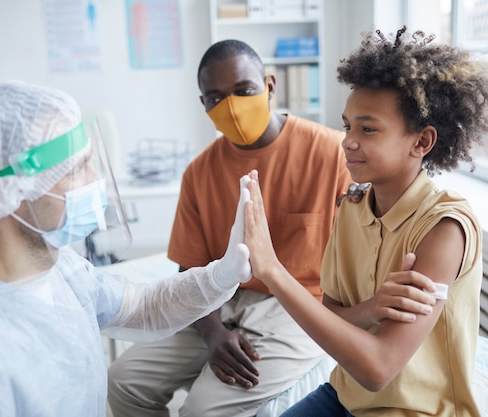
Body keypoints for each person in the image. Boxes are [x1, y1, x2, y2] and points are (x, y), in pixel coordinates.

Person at [0, 81, 253, 417]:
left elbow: (144, 307)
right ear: (8, 193)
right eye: (76, 169)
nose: (95, 180)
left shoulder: (60, 268)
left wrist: (222, 274)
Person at [243, 26, 488, 416]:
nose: (347, 140)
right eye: (347, 126)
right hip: (345, 397)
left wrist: (272, 270)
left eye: (368, 128)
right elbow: (330, 316)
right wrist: (369, 309)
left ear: (421, 142)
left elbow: (378, 368)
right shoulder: (352, 207)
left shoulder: (444, 229)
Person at [107, 39, 360, 417]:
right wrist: (212, 334)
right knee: (123, 380)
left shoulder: (332, 154)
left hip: (298, 304)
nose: (232, 107)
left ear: (270, 86)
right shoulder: (199, 173)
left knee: (202, 410)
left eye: (244, 90)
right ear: (204, 105)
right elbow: (190, 267)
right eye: (215, 98)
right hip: (219, 300)